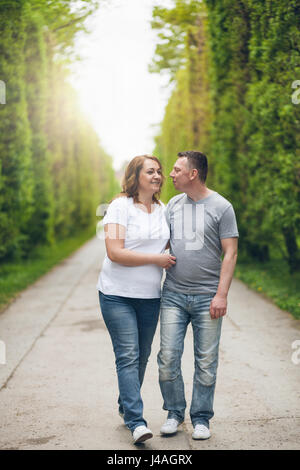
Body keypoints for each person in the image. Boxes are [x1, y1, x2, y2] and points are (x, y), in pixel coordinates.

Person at [158, 150, 238, 440]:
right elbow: (160, 243)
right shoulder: (173, 205)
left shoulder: (222, 207)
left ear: (193, 174)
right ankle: (174, 413)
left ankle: (201, 417)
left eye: (177, 169)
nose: (171, 174)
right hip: (174, 295)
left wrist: (222, 295)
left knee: (206, 361)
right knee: (167, 358)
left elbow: (230, 252)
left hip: (207, 297)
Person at [97, 155, 176, 444]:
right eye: (150, 171)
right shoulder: (120, 207)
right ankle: (136, 421)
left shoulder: (163, 209)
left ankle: (124, 404)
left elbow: (173, 246)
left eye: (159, 172)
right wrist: (155, 258)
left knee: (141, 356)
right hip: (116, 294)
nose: (157, 176)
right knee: (128, 355)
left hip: (149, 296)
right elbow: (115, 252)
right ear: (136, 176)